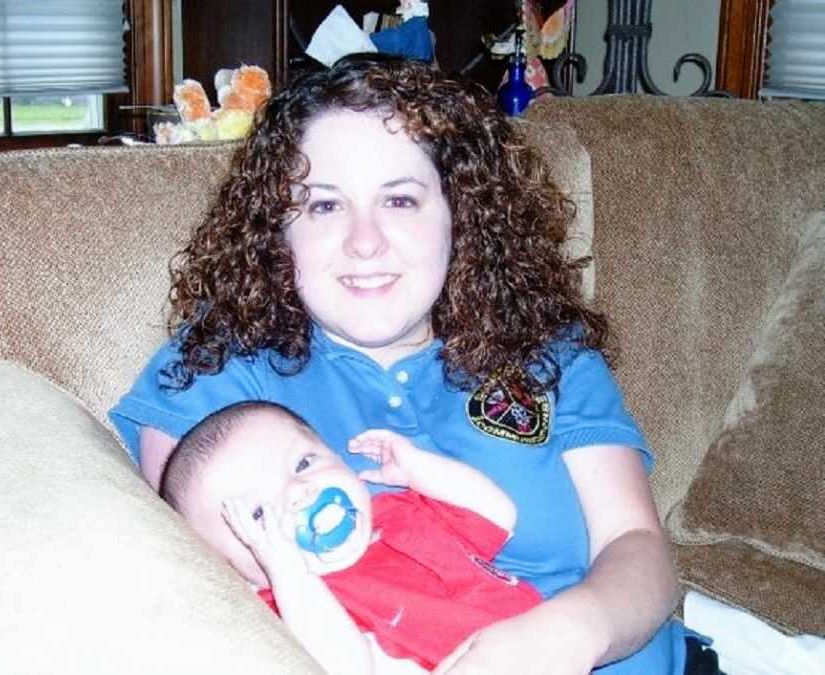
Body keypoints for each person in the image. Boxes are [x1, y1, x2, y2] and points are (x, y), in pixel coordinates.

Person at [110, 53, 709, 674]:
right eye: (323, 206)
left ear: (459, 215)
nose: (364, 242)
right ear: (277, 229)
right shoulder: (218, 365)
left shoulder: (545, 347)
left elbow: (636, 547)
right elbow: (190, 592)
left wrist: (567, 634)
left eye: (399, 201)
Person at [159, 400, 543, 673]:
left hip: (550, 648)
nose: (298, 491)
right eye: (259, 513)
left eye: (304, 463)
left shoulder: (403, 512)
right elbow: (343, 664)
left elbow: (499, 515)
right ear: (232, 571)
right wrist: (289, 571)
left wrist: (419, 470)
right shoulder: (288, 608)